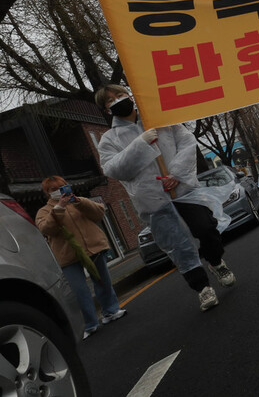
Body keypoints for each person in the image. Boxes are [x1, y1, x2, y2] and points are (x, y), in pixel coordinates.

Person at [94, 84, 235, 311]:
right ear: (107, 110)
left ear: (129, 95)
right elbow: (113, 169)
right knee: (178, 246)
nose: (117, 100)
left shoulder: (159, 120)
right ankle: (202, 288)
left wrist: (177, 174)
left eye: (120, 95)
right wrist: (140, 144)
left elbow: (187, 142)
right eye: (110, 101)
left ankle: (217, 262)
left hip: (184, 190)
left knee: (206, 228)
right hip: (153, 202)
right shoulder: (108, 140)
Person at [35, 176, 126, 339]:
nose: (59, 192)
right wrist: (59, 208)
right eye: (53, 190)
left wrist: (79, 201)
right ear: (47, 193)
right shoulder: (43, 211)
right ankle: (90, 324)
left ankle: (111, 311)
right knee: (79, 291)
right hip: (68, 255)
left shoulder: (78, 201)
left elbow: (99, 213)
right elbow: (47, 229)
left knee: (102, 281)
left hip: (94, 247)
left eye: (62, 187)